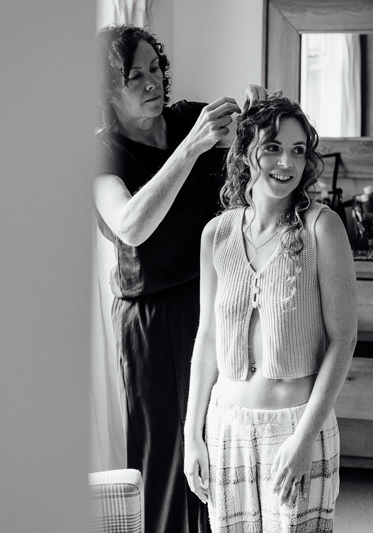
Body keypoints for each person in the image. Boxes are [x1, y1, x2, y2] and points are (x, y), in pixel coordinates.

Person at [93, 24, 267, 533]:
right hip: (151, 319)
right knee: (168, 451)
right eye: (135, 76)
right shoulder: (101, 153)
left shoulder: (190, 118)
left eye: (156, 69)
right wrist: (190, 149)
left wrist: (256, 116)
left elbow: (257, 155)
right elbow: (131, 226)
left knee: (225, 435)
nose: (153, 83)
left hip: (216, 300)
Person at [183, 96, 358, 532]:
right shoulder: (216, 234)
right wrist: (192, 435)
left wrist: (304, 440)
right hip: (227, 429)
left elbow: (343, 340)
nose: (287, 162)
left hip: (297, 427)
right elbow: (206, 339)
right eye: (273, 147)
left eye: (298, 150)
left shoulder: (322, 227)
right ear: (246, 153)